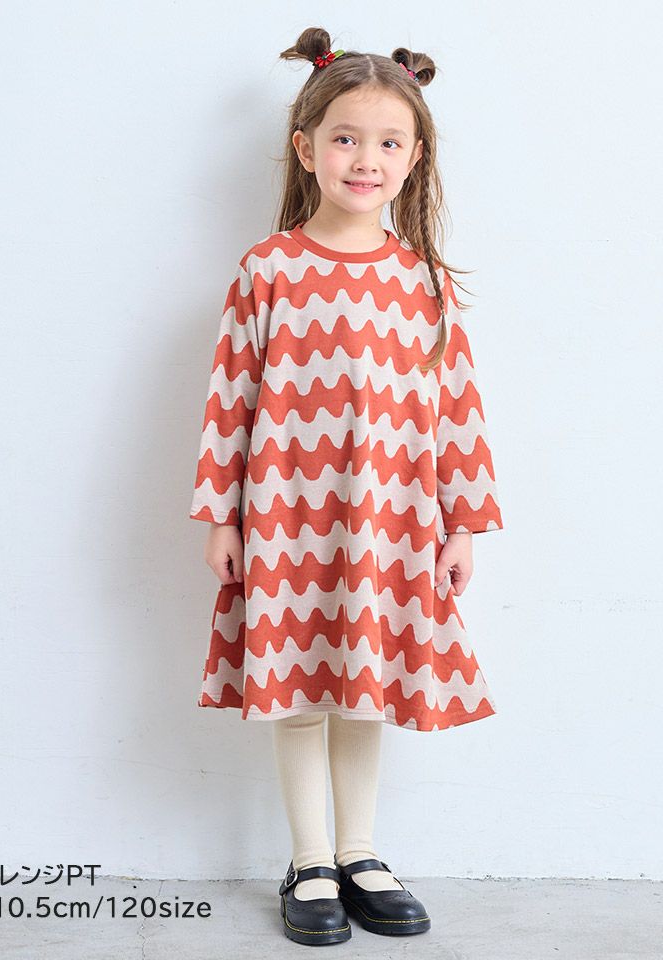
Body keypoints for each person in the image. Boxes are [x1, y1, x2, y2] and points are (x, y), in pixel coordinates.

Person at [188, 26, 504, 946]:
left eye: (388, 142)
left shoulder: (424, 281)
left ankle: (361, 852)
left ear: (415, 158)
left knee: (365, 683)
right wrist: (220, 517)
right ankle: (310, 860)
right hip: (286, 514)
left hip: (388, 519)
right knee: (295, 684)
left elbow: (457, 407)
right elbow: (231, 396)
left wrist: (462, 523)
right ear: (307, 148)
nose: (366, 159)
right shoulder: (268, 270)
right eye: (346, 138)